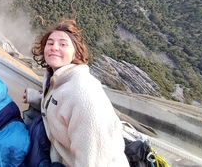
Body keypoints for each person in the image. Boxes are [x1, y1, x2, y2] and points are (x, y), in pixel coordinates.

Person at [23, 19, 129, 167]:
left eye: (63, 44)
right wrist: (37, 98)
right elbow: (59, 102)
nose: (54, 47)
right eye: (50, 43)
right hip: (59, 155)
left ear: (76, 53)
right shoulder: (56, 78)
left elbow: (94, 160)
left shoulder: (84, 94)